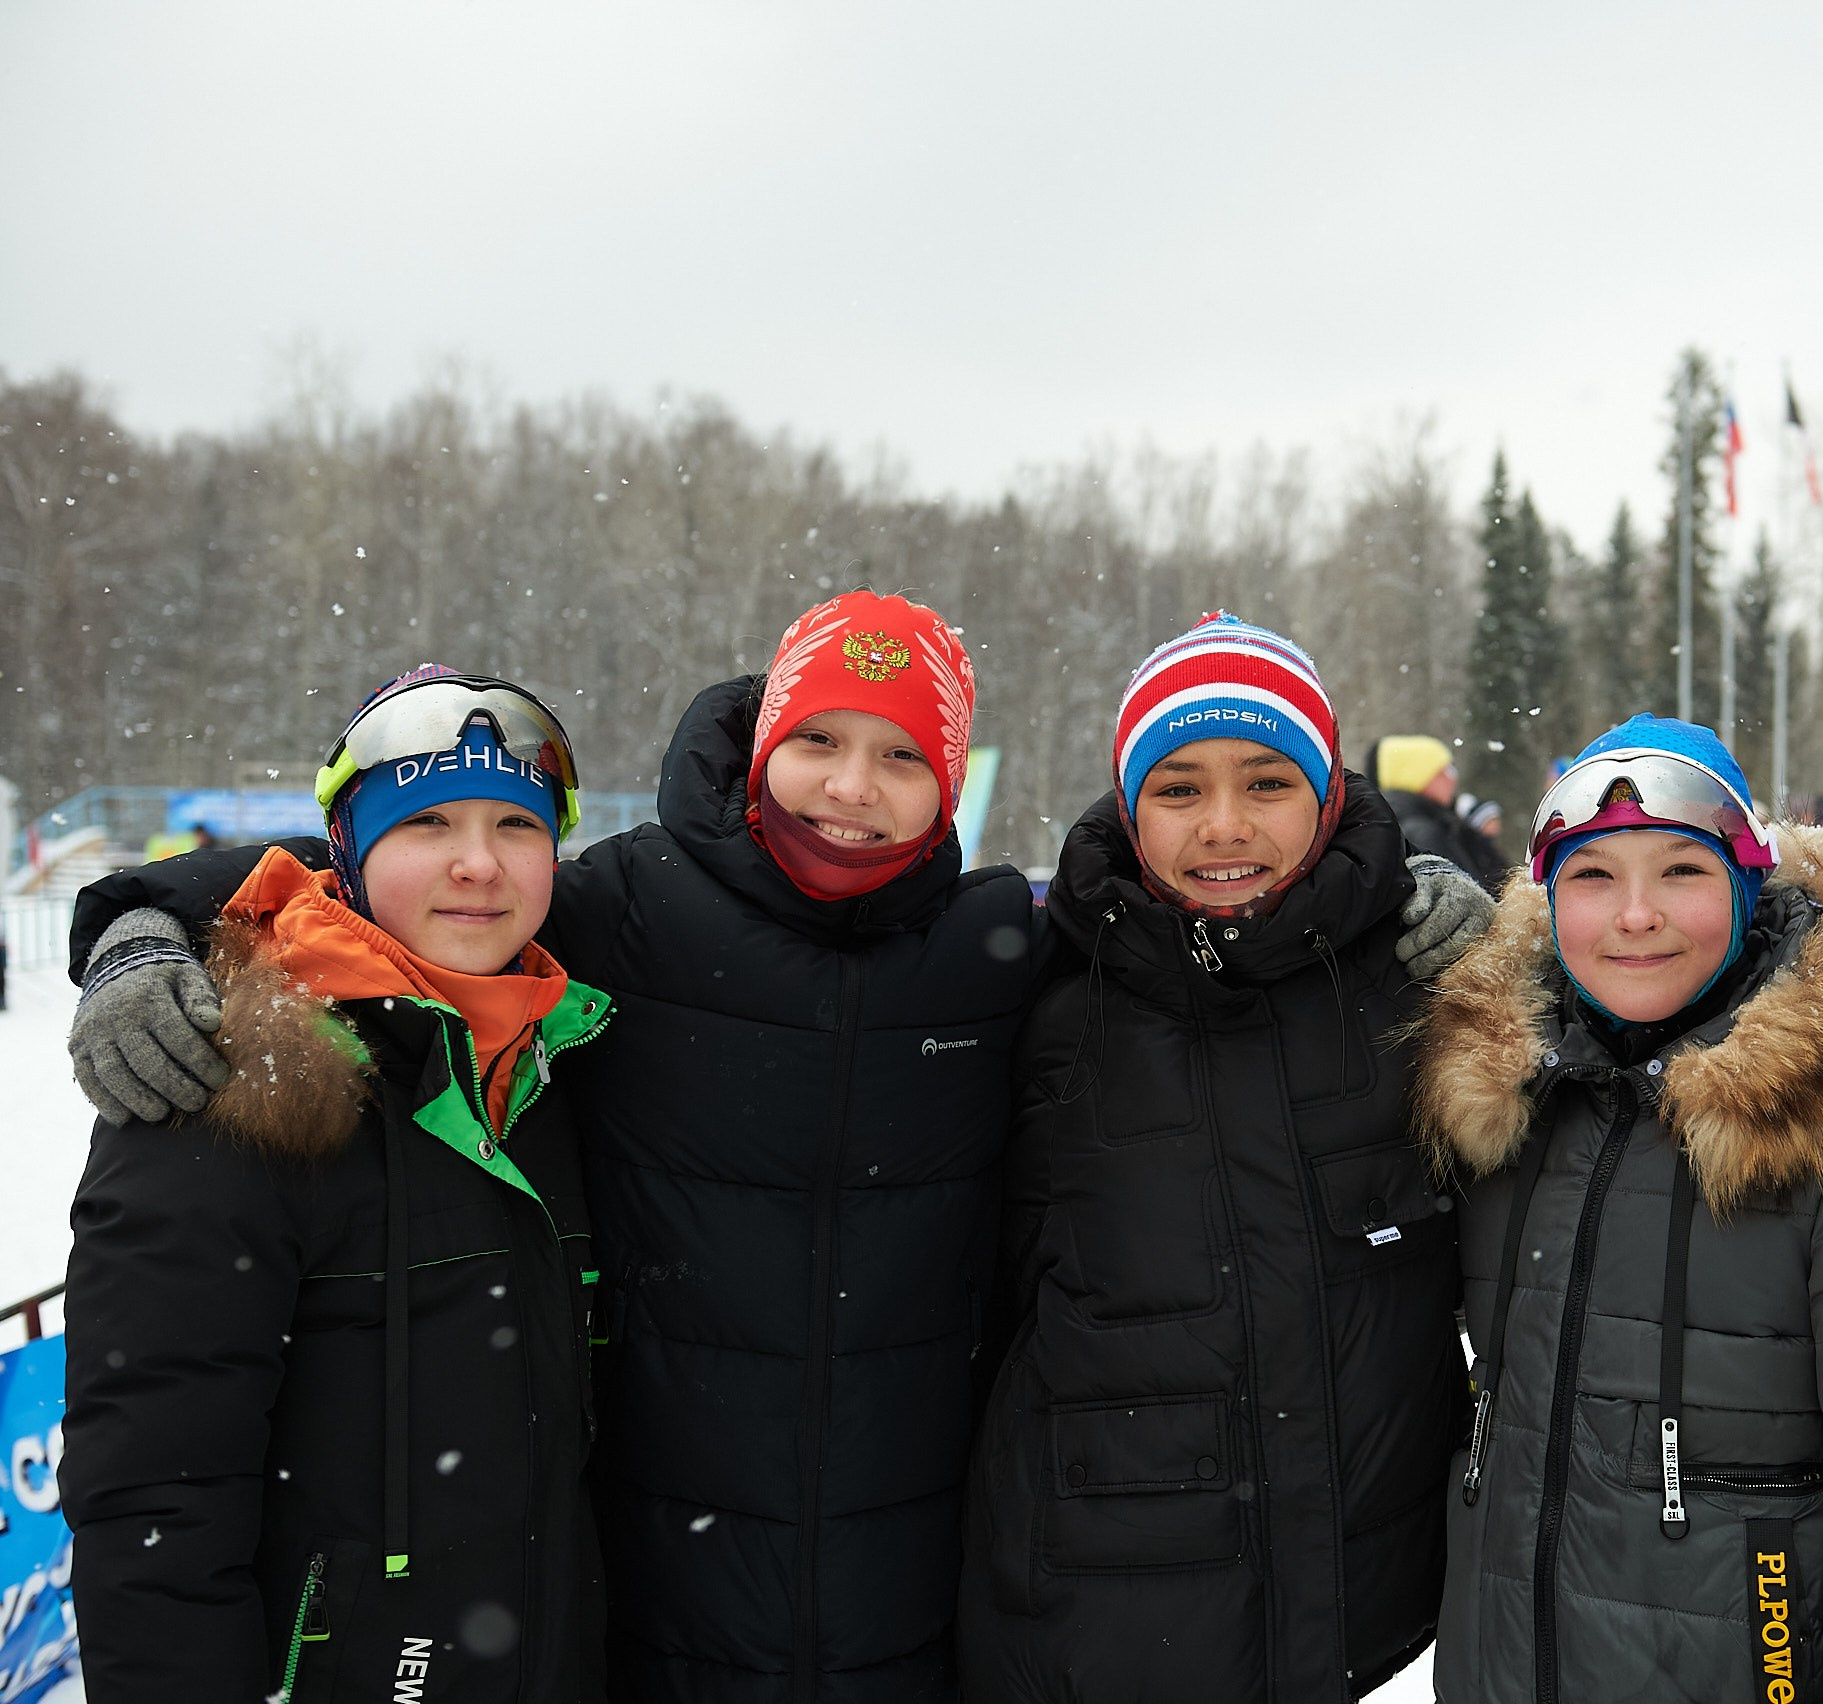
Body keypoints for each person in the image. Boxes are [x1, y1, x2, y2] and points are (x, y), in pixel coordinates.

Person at [63, 593, 1492, 1701]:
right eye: (818, 743)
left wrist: (1404, 893)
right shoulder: (621, 910)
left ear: (949, 786)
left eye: (900, 756)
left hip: (911, 1593)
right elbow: (390, 883)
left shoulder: (998, 949)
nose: (849, 789)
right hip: (655, 1597)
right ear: (760, 752)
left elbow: (1217, 939)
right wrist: (145, 922)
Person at [1415, 713, 1823, 1702]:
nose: (1634, 915)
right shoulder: (1503, 1109)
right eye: (1592, 876)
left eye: (1681, 872)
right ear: (1546, 900)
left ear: (1746, 885)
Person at [61, 667, 609, 1699]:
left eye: (517, 825)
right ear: (349, 854)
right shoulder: (229, 1076)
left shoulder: (559, 1053)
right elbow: (154, 1498)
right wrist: (137, 926)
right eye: (427, 823)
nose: (479, 864)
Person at [961, 614, 1465, 1701]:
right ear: (1128, 805)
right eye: (1179, 788)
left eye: (1268, 783)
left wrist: (1500, 953)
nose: (1223, 825)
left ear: (1326, 797)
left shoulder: (1417, 990)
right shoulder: (1038, 1000)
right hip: (1108, 1630)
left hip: (1387, 1624)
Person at [1376, 733, 1510, 889]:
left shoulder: (1427, 823)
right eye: (1443, 771)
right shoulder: (1421, 833)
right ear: (1419, 777)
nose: (1452, 778)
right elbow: (1463, 894)